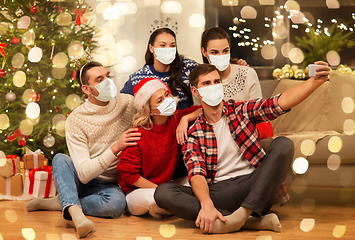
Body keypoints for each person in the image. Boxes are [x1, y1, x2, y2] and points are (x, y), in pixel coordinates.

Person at [155, 62, 331, 234]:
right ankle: (250, 222)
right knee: (163, 192)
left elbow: (279, 102)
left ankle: (241, 216)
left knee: (284, 144)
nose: (213, 86)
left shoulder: (241, 110)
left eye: (216, 82)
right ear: (195, 91)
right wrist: (207, 204)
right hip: (217, 192)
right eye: (206, 83)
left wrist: (314, 82)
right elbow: (196, 172)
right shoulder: (193, 131)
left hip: (253, 186)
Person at [26, 61, 141, 238]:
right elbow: (83, 174)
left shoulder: (128, 102)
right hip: (83, 178)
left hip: (108, 184)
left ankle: (66, 202)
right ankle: (77, 216)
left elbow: (154, 108)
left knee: (117, 204)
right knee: (60, 159)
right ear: (86, 89)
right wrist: (116, 147)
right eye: (100, 79)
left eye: (107, 76)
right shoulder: (77, 119)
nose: (108, 82)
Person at [117, 77, 202, 219]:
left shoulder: (175, 119)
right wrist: (163, 191)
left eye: (166, 95)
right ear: (149, 111)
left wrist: (185, 119)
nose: (167, 100)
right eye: (159, 100)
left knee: (198, 181)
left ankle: (166, 208)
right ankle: (165, 206)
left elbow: (202, 109)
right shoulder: (138, 134)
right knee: (158, 198)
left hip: (166, 186)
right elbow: (128, 174)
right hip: (138, 192)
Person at [198, 27, 273, 139]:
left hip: (248, 134)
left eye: (225, 51)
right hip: (215, 138)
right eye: (214, 52)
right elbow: (201, 116)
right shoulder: (200, 81)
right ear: (204, 52)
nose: (221, 56)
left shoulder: (247, 73)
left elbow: (259, 112)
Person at [120, 28, 199, 109]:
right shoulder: (139, 77)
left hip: (187, 119)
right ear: (151, 48)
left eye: (172, 45)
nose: (168, 49)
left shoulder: (188, 67)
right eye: (163, 45)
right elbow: (122, 104)